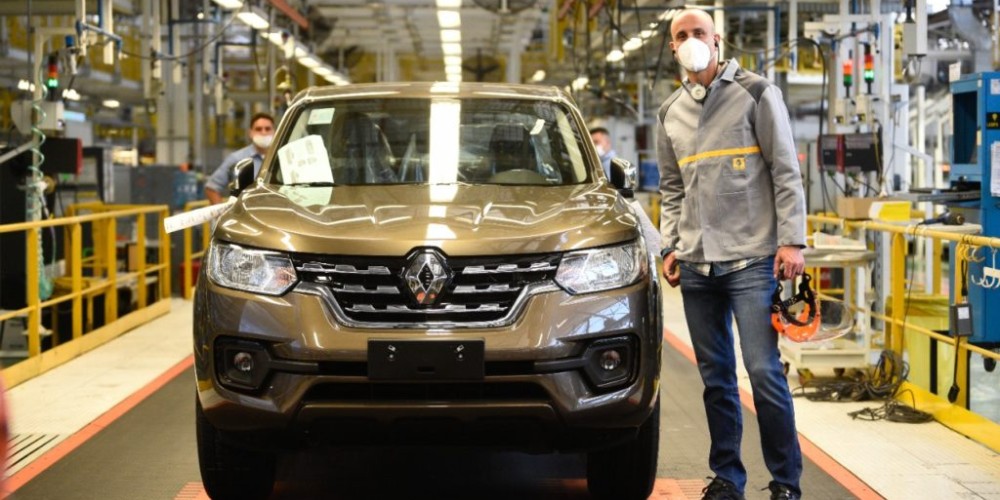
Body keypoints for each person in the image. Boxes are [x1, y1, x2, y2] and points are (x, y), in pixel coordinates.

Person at [655, 8, 806, 500]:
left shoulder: (758, 93)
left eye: (699, 32)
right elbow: (673, 188)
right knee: (716, 379)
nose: (691, 41)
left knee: (763, 374)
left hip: (751, 262)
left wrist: (792, 240)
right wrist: (670, 244)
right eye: (682, 36)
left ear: (716, 40)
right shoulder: (669, 112)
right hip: (697, 268)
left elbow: (785, 171)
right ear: (673, 47)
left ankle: (786, 481)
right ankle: (728, 477)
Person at [205, 112, 275, 204]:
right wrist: (222, 215)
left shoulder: (284, 157)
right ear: (250, 133)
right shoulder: (237, 158)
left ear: (275, 132)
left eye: (267, 129)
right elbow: (211, 188)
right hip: (246, 216)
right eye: (258, 129)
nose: (263, 132)